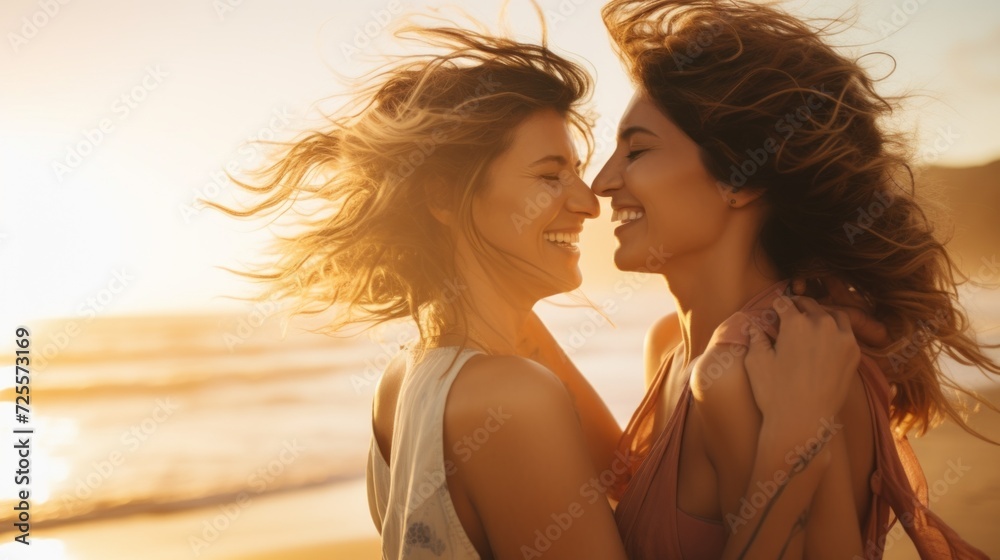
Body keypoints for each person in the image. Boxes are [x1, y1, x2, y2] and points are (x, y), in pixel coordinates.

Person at [210, 18, 873, 560]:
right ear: (445, 197)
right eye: (551, 174)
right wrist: (796, 440)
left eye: (594, 165)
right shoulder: (514, 399)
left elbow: (637, 485)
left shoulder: (403, 381)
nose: (590, 198)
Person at [580, 0, 998, 558]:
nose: (603, 182)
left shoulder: (765, 367)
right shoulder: (670, 347)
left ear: (741, 178)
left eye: (637, 150)